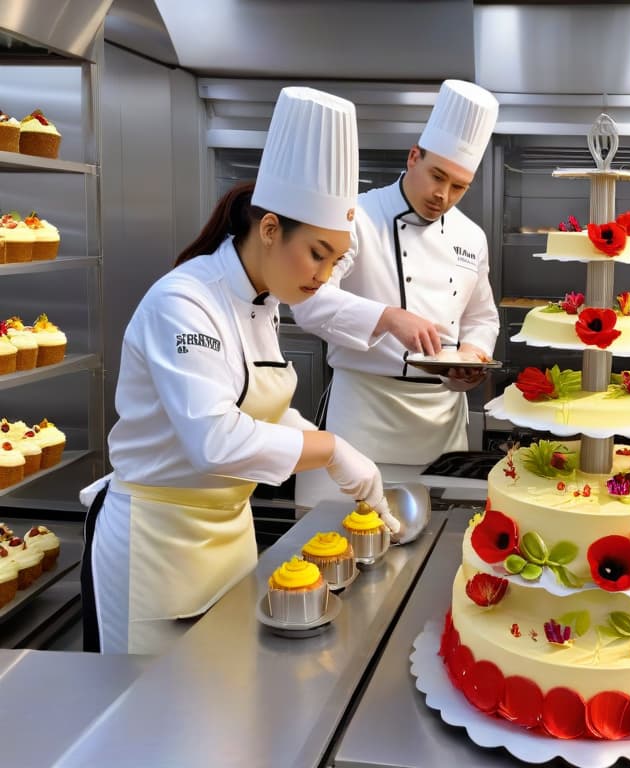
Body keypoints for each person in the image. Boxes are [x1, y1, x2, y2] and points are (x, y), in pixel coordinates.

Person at [79, 87, 397, 655]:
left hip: (228, 535)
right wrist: (328, 450)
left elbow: (259, 407)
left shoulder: (262, 299)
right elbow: (215, 440)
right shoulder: (184, 300)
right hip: (157, 542)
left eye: (335, 259)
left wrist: (337, 447)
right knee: (151, 721)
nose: (325, 275)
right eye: (318, 253)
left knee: (223, 707)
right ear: (270, 229)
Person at [292, 80, 500, 505]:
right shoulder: (356, 218)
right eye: (436, 176)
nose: (443, 195)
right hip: (364, 412)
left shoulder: (471, 237)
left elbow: (482, 318)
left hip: (440, 420)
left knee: (435, 538)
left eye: (459, 186)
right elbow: (308, 302)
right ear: (413, 157)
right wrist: (387, 317)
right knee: (342, 536)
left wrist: (470, 359)